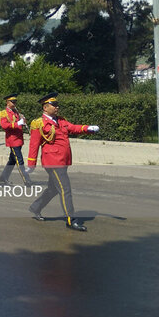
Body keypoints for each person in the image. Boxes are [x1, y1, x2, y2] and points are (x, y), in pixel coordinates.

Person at [27, 92, 100, 232]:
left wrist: (87, 128)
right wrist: (31, 164)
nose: (57, 107)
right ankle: (70, 219)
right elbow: (34, 145)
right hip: (53, 161)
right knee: (65, 189)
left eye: (57, 105)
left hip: (63, 159)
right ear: (45, 107)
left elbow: (73, 128)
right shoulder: (39, 123)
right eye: (54, 105)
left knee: (53, 188)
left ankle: (35, 207)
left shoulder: (61, 120)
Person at [0, 94, 32, 185]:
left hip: (19, 138)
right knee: (19, 160)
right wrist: (18, 123)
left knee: (12, 160)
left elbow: (18, 123)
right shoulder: (3, 113)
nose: (14, 103)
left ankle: (3, 177)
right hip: (12, 139)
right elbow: (4, 125)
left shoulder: (16, 112)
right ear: (7, 103)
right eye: (13, 102)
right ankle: (26, 179)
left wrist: (23, 122)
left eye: (15, 101)